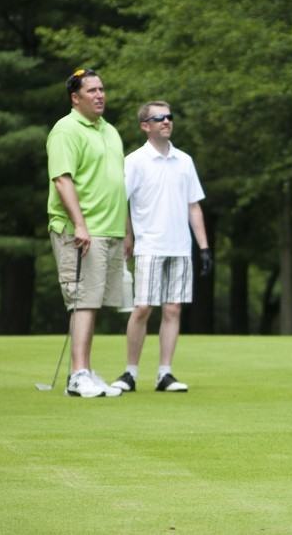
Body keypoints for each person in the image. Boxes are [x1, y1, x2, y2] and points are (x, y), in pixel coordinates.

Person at [111, 100, 212, 394]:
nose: (166, 122)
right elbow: (122, 203)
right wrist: (128, 236)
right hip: (149, 244)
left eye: (169, 117)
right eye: (159, 118)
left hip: (180, 246)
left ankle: (164, 373)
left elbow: (194, 206)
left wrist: (203, 247)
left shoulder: (184, 160)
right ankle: (130, 372)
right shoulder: (134, 161)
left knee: (173, 309)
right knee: (143, 308)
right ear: (145, 126)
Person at [46, 68, 127, 398]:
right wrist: (80, 223)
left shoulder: (109, 131)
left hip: (109, 230)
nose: (99, 95)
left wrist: (126, 232)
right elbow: (62, 179)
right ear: (75, 98)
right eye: (91, 90)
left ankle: (86, 370)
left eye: (102, 89)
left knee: (94, 302)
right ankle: (78, 374)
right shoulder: (66, 130)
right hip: (81, 230)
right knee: (82, 301)